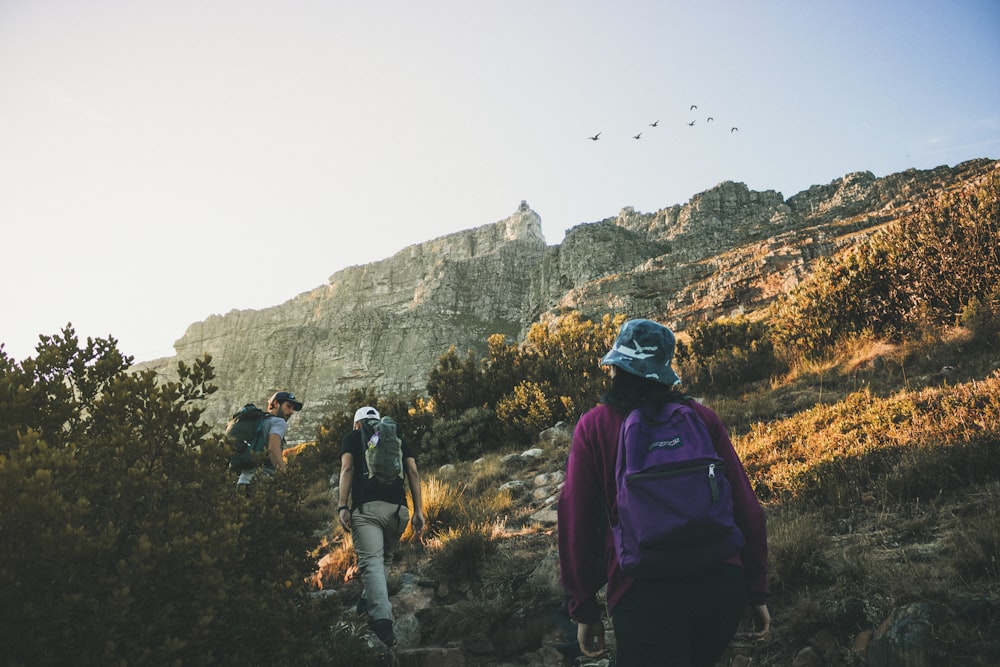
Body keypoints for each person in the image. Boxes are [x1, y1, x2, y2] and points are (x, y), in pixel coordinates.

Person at [557, 319, 770, 666]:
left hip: (642, 593)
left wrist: (583, 608)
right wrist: (756, 589)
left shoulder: (595, 426)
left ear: (616, 369)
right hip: (721, 584)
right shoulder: (699, 417)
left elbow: (574, 521)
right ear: (664, 369)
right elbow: (747, 508)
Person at [337, 406, 425, 649]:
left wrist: (342, 506)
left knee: (372, 562)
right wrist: (418, 511)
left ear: (357, 424)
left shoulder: (353, 438)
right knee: (384, 559)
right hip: (399, 511)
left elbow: (347, 469)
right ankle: (367, 601)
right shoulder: (397, 439)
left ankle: (382, 620)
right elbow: (413, 472)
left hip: (367, 510)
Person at [236, 390, 303, 493]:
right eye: (288, 406)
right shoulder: (279, 422)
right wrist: (285, 475)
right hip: (262, 482)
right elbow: (273, 449)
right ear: (276, 404)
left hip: (242, 482)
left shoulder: (261, 422)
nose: (291, 412)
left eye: (293, 408)